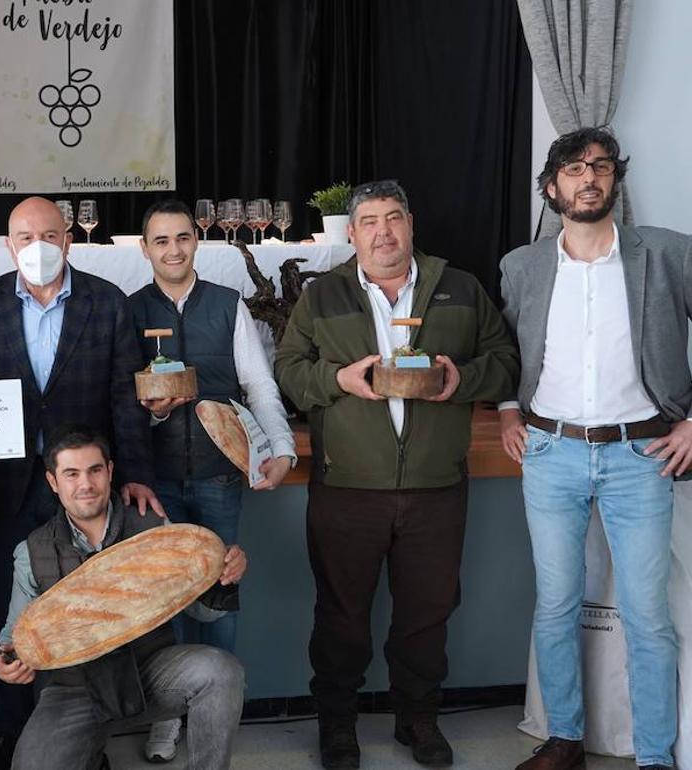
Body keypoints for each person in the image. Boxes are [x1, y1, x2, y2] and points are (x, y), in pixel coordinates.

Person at [498, 127, 692, 770]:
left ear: (615, 180)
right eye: (573, 169)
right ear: (553, 188)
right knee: (555, 603)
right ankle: (565, 737)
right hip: (550, 455)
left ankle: (654, 756)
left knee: (647, 614)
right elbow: (510, 352)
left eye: (600, 166)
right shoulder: (522, 266)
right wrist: (508, 408)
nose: (588, 177)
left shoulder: (671, 254)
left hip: (641, 457)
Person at [274, 180, 520, 769]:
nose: (383, 232)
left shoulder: (459, 288)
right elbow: (288, 368)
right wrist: (338, 381)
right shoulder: (324, 295)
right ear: (352, 233)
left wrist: (463, 379)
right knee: (341, 617)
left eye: (393, 219)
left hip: (436, 487)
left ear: (411, 224)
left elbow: (506, 360)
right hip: (347, 487)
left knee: (427, 614)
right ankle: (338, 725)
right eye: (369, 222)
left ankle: (420, 719)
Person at [0, 197, 160, 768]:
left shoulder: (107, 302)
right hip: (8, 487)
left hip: (86, 491)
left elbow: (127, 395)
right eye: (25, 237)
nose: (37, 246)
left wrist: (136, 474)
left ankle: (83, 741)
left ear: (68, 240)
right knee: (13, 620)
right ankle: (15, 736)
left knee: (86, 616)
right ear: (8, 244)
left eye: (49, 234)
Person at [126, 199, 296, 761]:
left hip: (220, 476)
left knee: (220, 594)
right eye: (161, 241)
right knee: (167, 601)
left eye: (182, 238)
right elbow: (121, 405)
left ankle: (213, 715)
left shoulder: (227, 306)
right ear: (145, 248)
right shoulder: (130, 311)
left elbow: (260, 386)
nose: (173, 250)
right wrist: (153, 412)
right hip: (157, 483)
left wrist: (283, 449)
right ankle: (166, 719)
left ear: (195, 241)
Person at [0, 427, 247, 770]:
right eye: (71, 474)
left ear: (110, 471)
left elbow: (203, 613)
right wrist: (5, 658)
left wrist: (223, 576)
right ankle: (90, 754)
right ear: (53, 481)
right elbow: (14, 633)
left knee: (221, 671)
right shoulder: (32, 551)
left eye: (95, 470)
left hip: (151, 670)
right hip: (75, 689)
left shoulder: (152, 526)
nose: (86, 484)